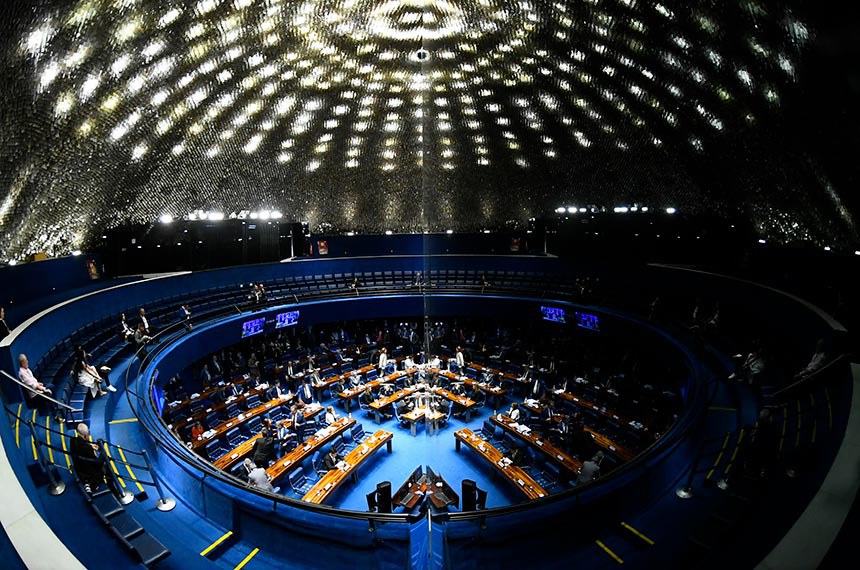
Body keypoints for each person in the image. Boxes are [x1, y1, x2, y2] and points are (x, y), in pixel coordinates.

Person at [70, 423, 105, 494]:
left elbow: (80, 445)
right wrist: (102, 453)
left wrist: (90, 445)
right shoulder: (87, 449)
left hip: (78, 467)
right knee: (105, 466)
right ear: (86, 435)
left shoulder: (72, 440)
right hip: (88, 472)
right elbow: (97, 464)